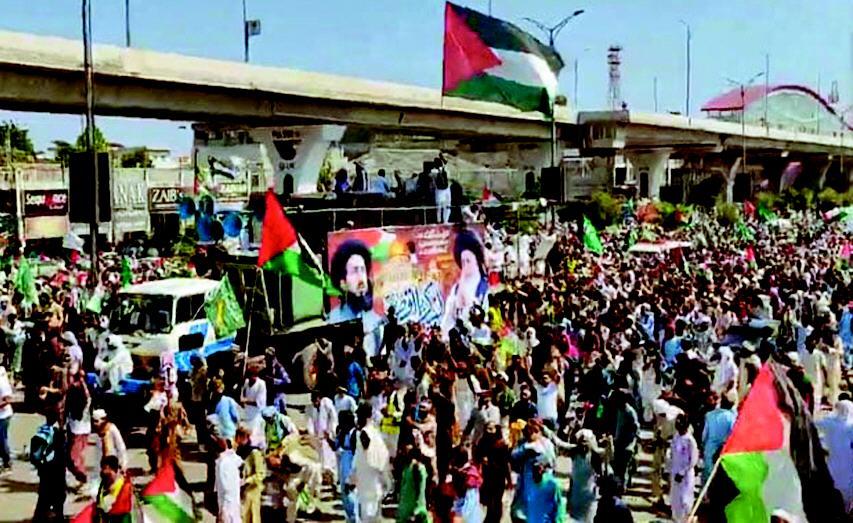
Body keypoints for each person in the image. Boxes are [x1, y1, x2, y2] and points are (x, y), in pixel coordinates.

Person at [441, 229, 490, 335]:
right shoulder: (456, 289)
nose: (466, 265)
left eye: (468, 261)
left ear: (477, 260)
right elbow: (448, 319)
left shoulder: (486, 287)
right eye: (463, 262)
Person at [349, 403, 390, 523]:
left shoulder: (364, 433)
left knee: (368, 513)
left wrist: (353, 476)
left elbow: (363, 456)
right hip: (373, 479)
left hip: (367, 480)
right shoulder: (375, 432)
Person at [815, 399, 853, 511]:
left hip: (831, 468)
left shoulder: (829, 423)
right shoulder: (850, 427)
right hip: (848, 472)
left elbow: (813, 424)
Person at [32, 408, 66, 522]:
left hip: (44, 469)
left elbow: (35, 455)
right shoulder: (57, 433)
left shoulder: (41, 430)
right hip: (56, 470)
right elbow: (62, 454)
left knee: (43, 498)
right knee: (57, 499)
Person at [475, 422, 512, 523]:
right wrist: (482, 459)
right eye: (488, 428)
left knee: (497, 501)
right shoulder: (482, 442)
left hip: (499, 476)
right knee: (489, 502)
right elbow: (476, 457)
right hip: (487, 476)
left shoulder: (502, 445)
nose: (489, 431)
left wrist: (509, 480)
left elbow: (506, 463)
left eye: (492, 429)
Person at [670, 413, 699, 523]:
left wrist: (682, 473)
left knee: (685, 500)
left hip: (685, 476)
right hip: (675, 472)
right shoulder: (676, 437)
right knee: (675, 499)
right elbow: (672, 454)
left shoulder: (690, 440)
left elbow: (693, 460)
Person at [702, 393, 736, 485]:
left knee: (707, 476)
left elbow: (705, 434)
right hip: (723, 452)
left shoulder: (709, 415)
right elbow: (732, 437)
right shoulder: (732, 418)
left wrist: (703, 446)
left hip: (709, 449)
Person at [306, 390, 338, 484]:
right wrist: (312, 435)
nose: (315, 403)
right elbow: (309, 422)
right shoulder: (310, 408)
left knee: (330, 457)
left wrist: (330, 431)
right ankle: (323, 477)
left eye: (316, 401)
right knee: (320, 458)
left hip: (328, 435)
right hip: (318, 437)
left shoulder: (327, 403)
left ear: (319, 399)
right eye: (313, 401)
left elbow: (333, 418)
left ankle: (333, 478)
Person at [236, 425, 265, 523]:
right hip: (241, 491)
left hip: (252, 491)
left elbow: (260, 474)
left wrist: (246, 481)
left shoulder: (254, 453)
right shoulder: (239, 451)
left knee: (252, 517)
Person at [397, 444, 430, 523]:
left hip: (414, 510)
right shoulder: (407, 468)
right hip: (405, 510)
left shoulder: (417, 468)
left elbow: (419, 489)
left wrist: (416, 510)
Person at [94, 455, 134, 521]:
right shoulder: (103, 484)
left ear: (115, 470)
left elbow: (123, 510)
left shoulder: (123, 487)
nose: (104, 472)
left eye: (108, 471)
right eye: (103, 469)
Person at [215, 438, 243, 523]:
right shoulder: (231, 459)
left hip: (227, 503)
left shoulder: (223, 462)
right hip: (232, 501)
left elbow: (225, 487)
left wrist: (223, 509)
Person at [240, 368, 267, 448]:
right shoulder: (246, 382)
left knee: (255, 437)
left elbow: (260, 402)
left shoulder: (261, 384)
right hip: (247, 413)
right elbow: (243, 393)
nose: (251, 378)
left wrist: (245, 400)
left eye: (253, 376)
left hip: (256, 415)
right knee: (246, 435)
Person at [0, 366, 12, 473]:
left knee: (2, 440)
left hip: (3, 416)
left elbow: (8, 399)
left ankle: (7, 463)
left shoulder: (2, 382)